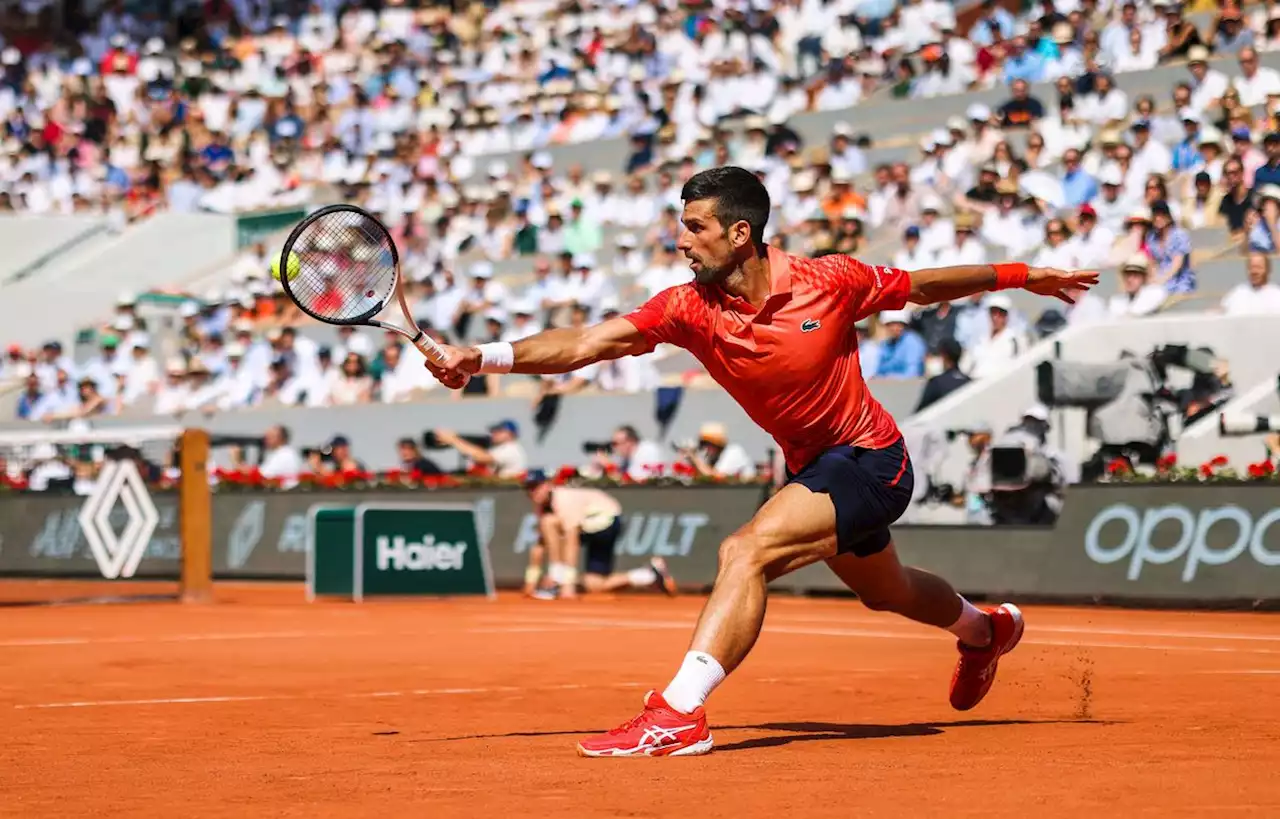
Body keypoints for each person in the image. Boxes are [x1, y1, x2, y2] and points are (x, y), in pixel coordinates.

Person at [422, 166, 1096, 758]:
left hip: (870, 457)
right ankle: (986, 631)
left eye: (694, 227)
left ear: (739, 233)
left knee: (746, 551)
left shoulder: (829, 279)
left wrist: (1024, 274)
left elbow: (919, 286)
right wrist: (484, 357)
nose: (681, 241)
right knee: (885, 591)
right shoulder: (688, 307)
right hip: (814, 471)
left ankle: (679, 713)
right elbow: (589, 341)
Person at [521, 469, 677, 600]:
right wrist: (531, 582)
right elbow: (539, 546)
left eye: (536, 486)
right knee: (593, 583)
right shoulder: (542, 508)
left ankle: (557, 579)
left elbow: (572, 542)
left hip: (606, 523)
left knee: (550, 523)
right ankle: (648, 575)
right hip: (595, 525)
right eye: (529, 488)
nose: (532, 492)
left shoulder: (563, 500)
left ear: (548, 485)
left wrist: (567, 584)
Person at [432, 420, 527, 478]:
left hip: (511, 492)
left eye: (499, 431)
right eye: (494, 430)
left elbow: (482, 458)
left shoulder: (512, 448)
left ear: (511, 434)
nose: (494, 433)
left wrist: (454, 440)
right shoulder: (498, 448)